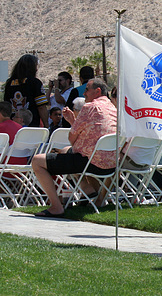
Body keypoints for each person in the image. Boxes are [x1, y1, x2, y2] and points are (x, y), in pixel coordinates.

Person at [31, 78, 117, 217]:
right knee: (66, 151)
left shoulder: (89, 107)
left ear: (97, 91)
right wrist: (73, 122)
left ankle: (56, 206)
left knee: (37, 161)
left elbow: (72, 138)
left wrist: (73, 123)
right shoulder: (113, 109)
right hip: (111, 163)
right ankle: (89, 191)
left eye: (87, 89)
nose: (84, 93)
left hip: (90, 162)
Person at [3, 54, 49, 127]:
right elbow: (41, 107)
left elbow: (6, 106)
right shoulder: (35, 82)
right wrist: (46, 125)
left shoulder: (9, 83)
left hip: (13, 125)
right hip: (32, 124)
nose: (36, 69)